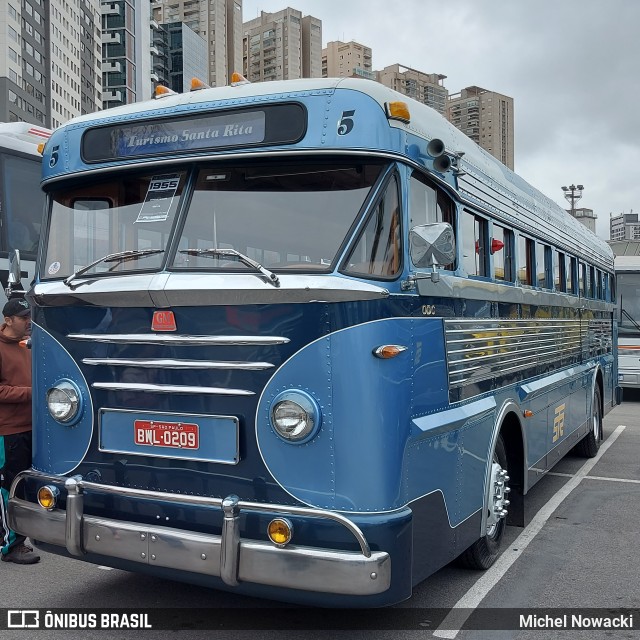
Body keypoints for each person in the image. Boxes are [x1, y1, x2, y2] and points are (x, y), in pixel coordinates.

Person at [0, 297, 39, 564]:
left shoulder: (26, 348)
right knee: (8, 488)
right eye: (23, 317)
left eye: (29, 316)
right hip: (8, 431)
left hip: (31, 428)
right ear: (8, 320)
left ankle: (20, 537)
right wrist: (31, 393)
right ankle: (9, 545)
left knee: (23, 486)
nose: (28, 322)